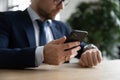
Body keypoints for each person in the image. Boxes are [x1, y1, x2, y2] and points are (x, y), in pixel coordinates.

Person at [0, 0, 102, 69]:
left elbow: (80, 46)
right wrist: (41, 54)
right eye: (57, 0)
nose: (61, 7)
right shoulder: (7, 20)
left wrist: (90, 49)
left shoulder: (62, 27)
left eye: (64, 1)